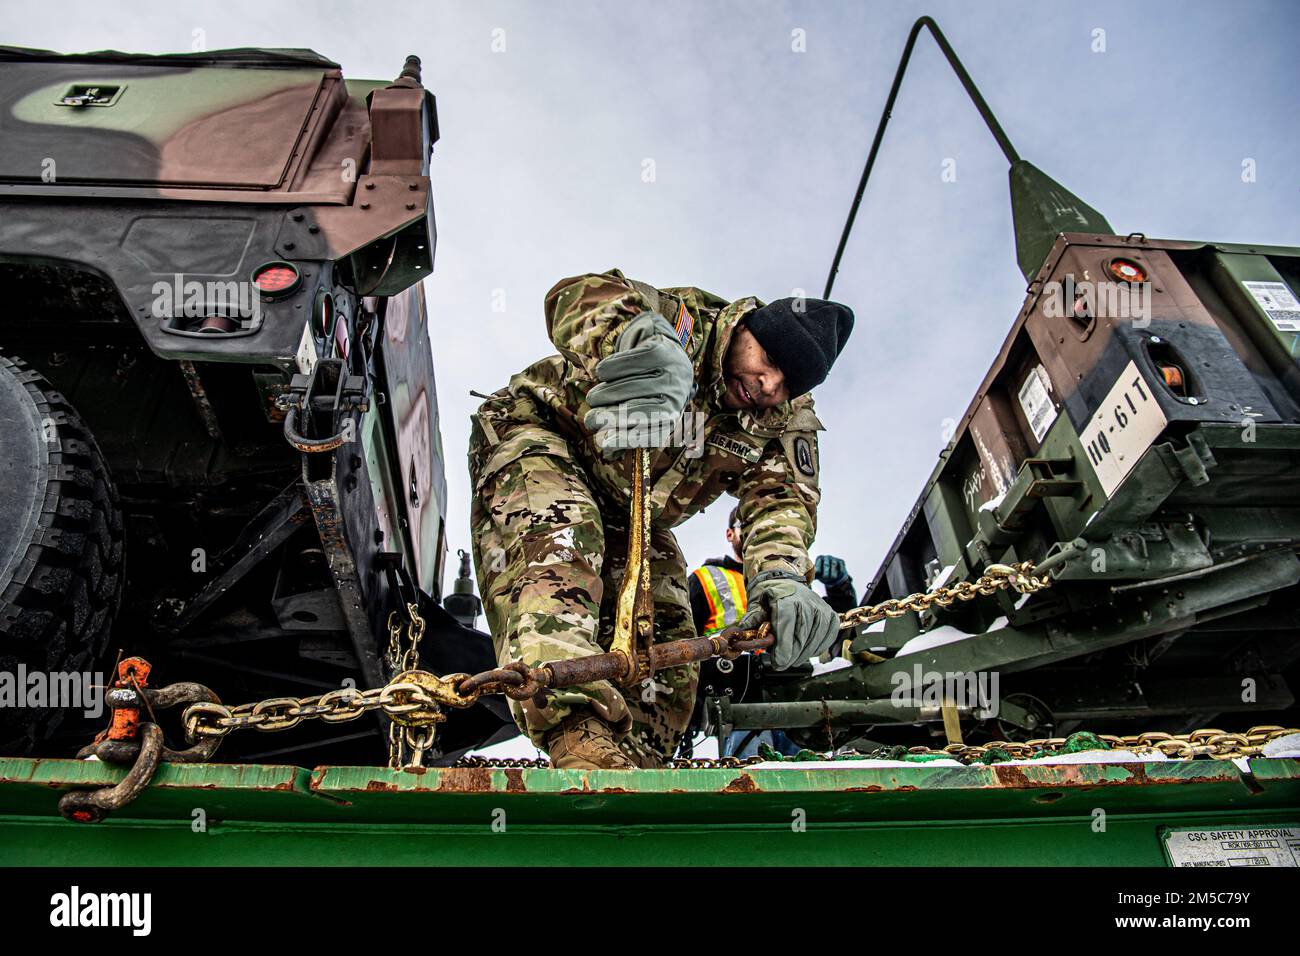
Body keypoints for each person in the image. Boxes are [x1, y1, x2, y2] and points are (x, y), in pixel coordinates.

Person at [468, 268, 854, 769]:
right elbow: (576, 298)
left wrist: (780, 575)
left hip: (632, 511)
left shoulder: (781, 424)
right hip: (541, 435)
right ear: (746, 330)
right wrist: (632, 337)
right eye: (770, 361)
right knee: (564, 548)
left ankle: (631, 769)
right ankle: (575, 736)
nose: (768, 384)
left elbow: (780, 501)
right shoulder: (681, 323)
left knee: (669, 636)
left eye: (786, 383)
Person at [689, 506, 857, 757]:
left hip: (798, 700)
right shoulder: (706, 579)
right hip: (741, 706)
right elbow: (688, 647)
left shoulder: (790, 579)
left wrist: (840, 589)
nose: (752, 531)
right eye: (743, 526)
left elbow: (832, 633)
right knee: (754, 778)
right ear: (729, 534)